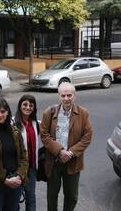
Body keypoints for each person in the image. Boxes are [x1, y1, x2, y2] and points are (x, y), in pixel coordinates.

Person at [40, 82, 93, 211]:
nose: (66, 99)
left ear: (75, 96)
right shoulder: (49, 112)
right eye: (63, 95)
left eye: (69, 95)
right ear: (59, 96)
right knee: (52, 195)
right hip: (54, 162)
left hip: (73, 162)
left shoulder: (83, 113)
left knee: (72, 196)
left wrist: (71, 152)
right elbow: (44, 135)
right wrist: (59, 151)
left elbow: (87, 136)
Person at [14, 94, 40, 211]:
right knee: (15, 199)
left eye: (31, 105)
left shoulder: (35, 123)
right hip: (17, 168)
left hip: (32, 168)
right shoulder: (13, 123)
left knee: (31, 198)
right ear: (20, 106)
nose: (28, 107)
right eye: (25, 104)